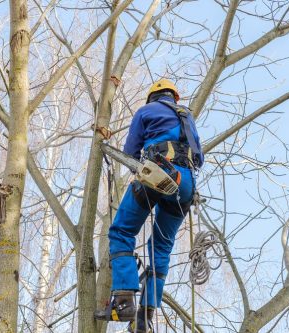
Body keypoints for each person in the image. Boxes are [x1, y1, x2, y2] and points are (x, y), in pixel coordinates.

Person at [94, 79, 204, 332]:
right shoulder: (187, 116)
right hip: (186, 183)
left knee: (121, 231)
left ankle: (123, 302)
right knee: (161, 248)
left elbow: (131, 151)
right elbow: (199, 157)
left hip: (158, 172)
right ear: (174, 98)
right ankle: (145, 315)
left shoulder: (145, 111)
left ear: (152, 97)